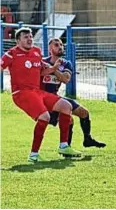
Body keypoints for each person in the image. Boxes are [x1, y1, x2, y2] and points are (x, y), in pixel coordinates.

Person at [2, 28, 81, 162]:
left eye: (31, 36)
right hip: (21, 93)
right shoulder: (11, 54)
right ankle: (33, 155)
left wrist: (54, 68)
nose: (30, 39)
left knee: (66, 106)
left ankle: (63, 145)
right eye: (26, 37)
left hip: (37, 92)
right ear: (18, 40)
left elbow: (43, 71)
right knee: (45, 116)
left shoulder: (36, 52)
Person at [42, 38, 105, 148]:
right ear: (49, 48)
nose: (60, 47)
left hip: (56, 97)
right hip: (43, 99)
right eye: (56, 45)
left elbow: (65, 79)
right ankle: (66, 148)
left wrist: (53, 69)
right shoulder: (43, 62)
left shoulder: (66, 64)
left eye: (61, 44)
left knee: (84, 112)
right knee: (68, 120)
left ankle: (87, 139)